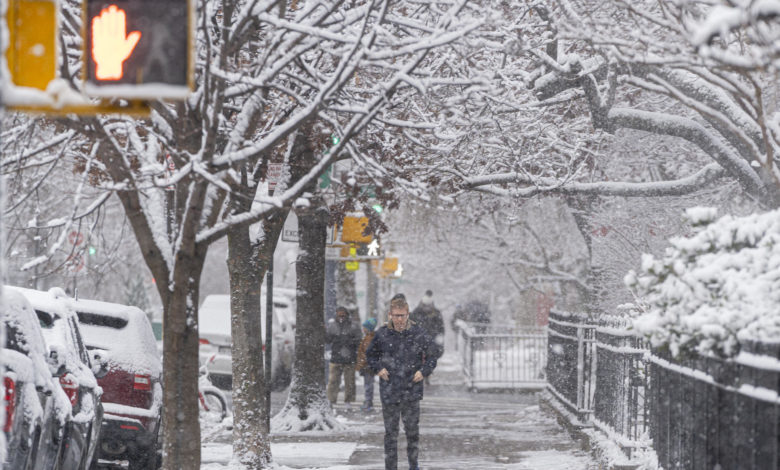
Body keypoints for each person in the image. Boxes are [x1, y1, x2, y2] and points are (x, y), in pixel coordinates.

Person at [366, 293, 441, 470]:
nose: (399, 319)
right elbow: (370, 355)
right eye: (396, 315)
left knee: (412, 433)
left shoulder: (418, 333)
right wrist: (378, 368)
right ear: (390, 315)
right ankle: (390, 467)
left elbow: (432, 355)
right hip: (389, 390)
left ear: (408, 314)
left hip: (411, 391)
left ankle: (413, 465)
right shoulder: (382, 334)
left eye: (402, 315)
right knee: (391, 433)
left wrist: (423, 372)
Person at [326, 306, 362, 407]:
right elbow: (328, 340)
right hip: (336, 357)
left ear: (347, 315)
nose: (341, 317)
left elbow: (359, 340)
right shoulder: (332, 326)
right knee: (333, 380)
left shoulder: (353, 326)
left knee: (349, 381)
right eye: (339, 315)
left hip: (349, 358)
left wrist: (349, 341)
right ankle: (331, 400)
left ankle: (348, 401)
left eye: (343, 315)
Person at [410, 290, 444, 385]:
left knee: (422, 357)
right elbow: (440, 326)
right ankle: (426, 374)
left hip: (421, 338)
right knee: (429, 357)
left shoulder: (416, 312)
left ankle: (423, 374)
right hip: (428, 338)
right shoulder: (435, 312)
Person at [355, 317, 378, 411]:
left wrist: (361, 364)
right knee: (368, 384)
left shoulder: (368, 339)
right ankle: (368, 401)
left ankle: (368, 402)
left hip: (367, 366)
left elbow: (366, 354)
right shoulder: (369, 337)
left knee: (368, 385)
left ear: (368, 328)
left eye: (364, 327)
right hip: (369, 366)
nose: (363, 329)